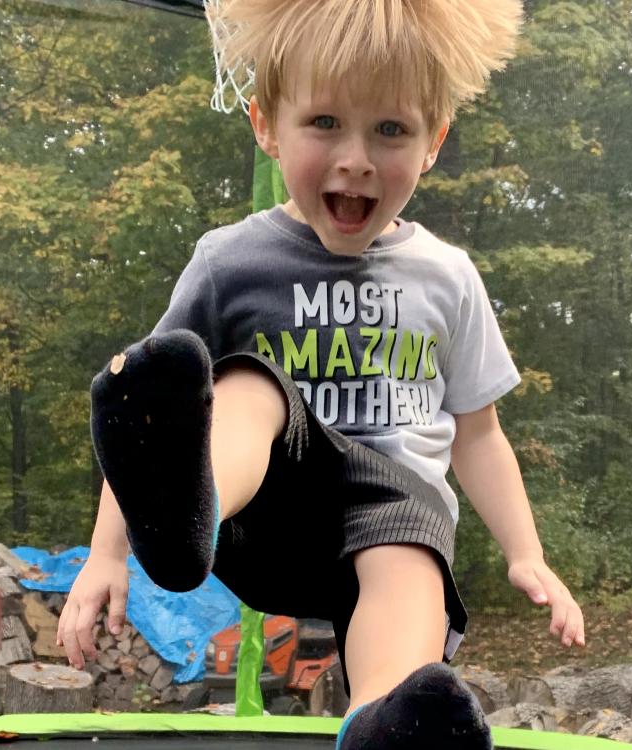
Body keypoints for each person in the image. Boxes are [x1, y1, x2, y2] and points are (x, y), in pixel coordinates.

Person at [58, 1, 585, 747]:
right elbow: (149, 424)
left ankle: (384, 717)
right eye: (326, 123)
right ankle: (187, 518)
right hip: (265, 507)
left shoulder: (447, 277)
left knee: (410, 545)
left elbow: (479, 435)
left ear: (432, 141)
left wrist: (525, 553)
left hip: (393, 511)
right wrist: (107, 553)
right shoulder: (230, 262)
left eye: (391, 130)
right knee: (247, 384)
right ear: (266, 124)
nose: (358, 158)